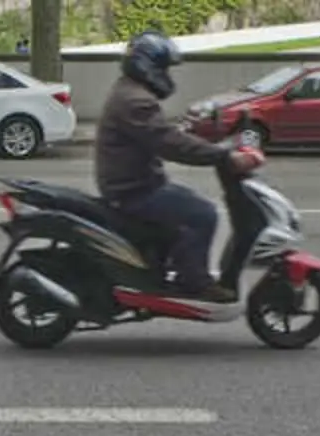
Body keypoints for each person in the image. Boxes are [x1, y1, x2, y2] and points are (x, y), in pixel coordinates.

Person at [94, 30, 263, 304]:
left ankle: (174, 266)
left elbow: (160, 133)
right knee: (203, 214)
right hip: (135, 191)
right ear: (147, 66)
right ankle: (194, 283)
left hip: (135, 184)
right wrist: (221, 155)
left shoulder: (130, 92)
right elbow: (169, 143)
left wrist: (193, 131)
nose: (167, 75)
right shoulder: (136, 101)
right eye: (163, 68)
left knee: (187, 206)